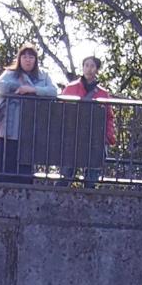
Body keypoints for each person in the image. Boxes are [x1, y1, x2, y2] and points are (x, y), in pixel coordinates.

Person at [0, 44, 58, 185]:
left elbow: (53, 92)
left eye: (31, 57)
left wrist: (32, 89)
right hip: (9, 128)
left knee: (25, 174)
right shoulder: (10, 74)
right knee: (3, 171)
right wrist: (7, 93)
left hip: (30, 130)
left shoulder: (43, 76)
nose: (28, 60)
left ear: (35, 60)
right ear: (19, 58)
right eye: (24, 56)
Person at [60, 55, 117, 188]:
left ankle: (89, 194)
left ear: (97, 69)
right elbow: (61, 110)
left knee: (92, 173)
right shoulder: (71, 88)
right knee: (67, 171)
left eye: (92, 66)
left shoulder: (103, 93)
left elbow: (109, 116)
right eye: (86, 65)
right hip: (73, 135)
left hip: (94, 137)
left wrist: (108, 136)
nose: (89, 69)